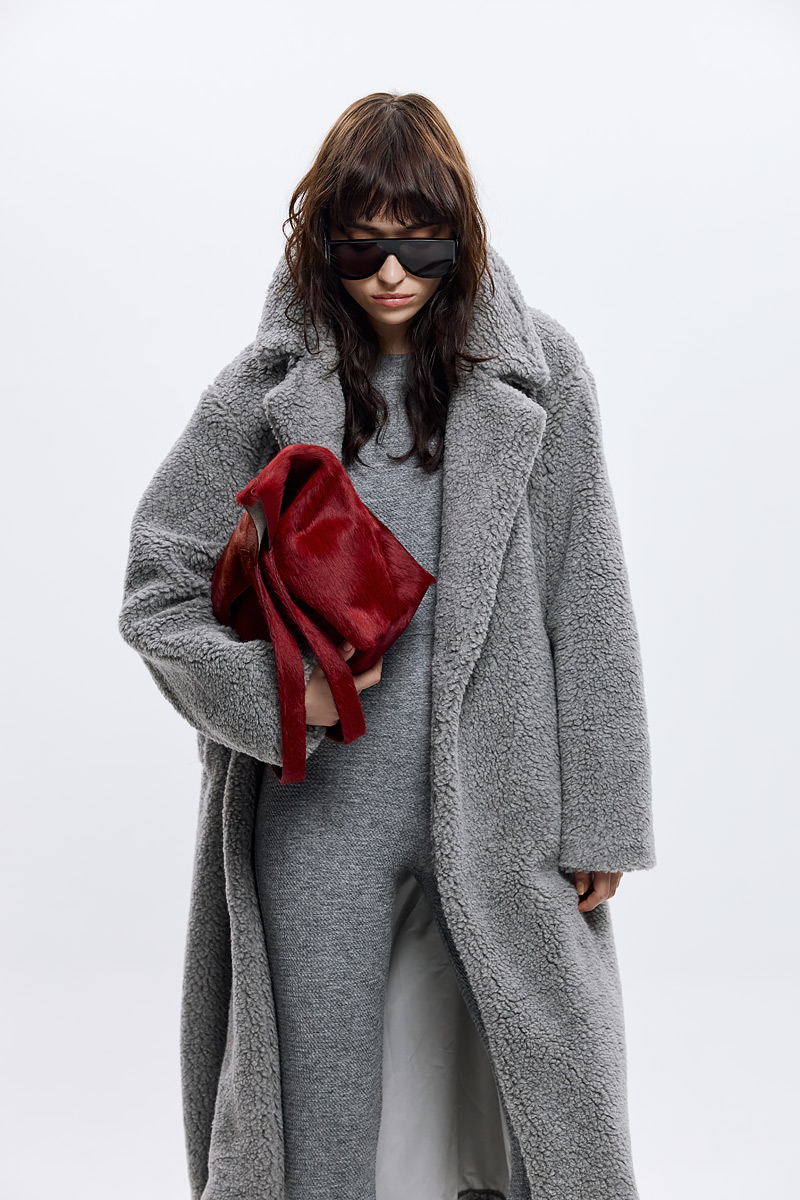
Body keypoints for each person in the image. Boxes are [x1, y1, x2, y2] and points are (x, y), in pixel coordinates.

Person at [119, 91, 656, 1200]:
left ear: (462, 232)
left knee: (534, 1101)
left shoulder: (541, 375)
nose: (393, 273)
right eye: (362, 246)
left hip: (507, 806)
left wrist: (604, 813)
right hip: (317, 819)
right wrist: (288, 695)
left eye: (421, 242)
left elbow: (588, 592)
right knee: (318, 1123)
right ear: (321, 240)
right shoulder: (263, 389)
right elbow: (157, 592)